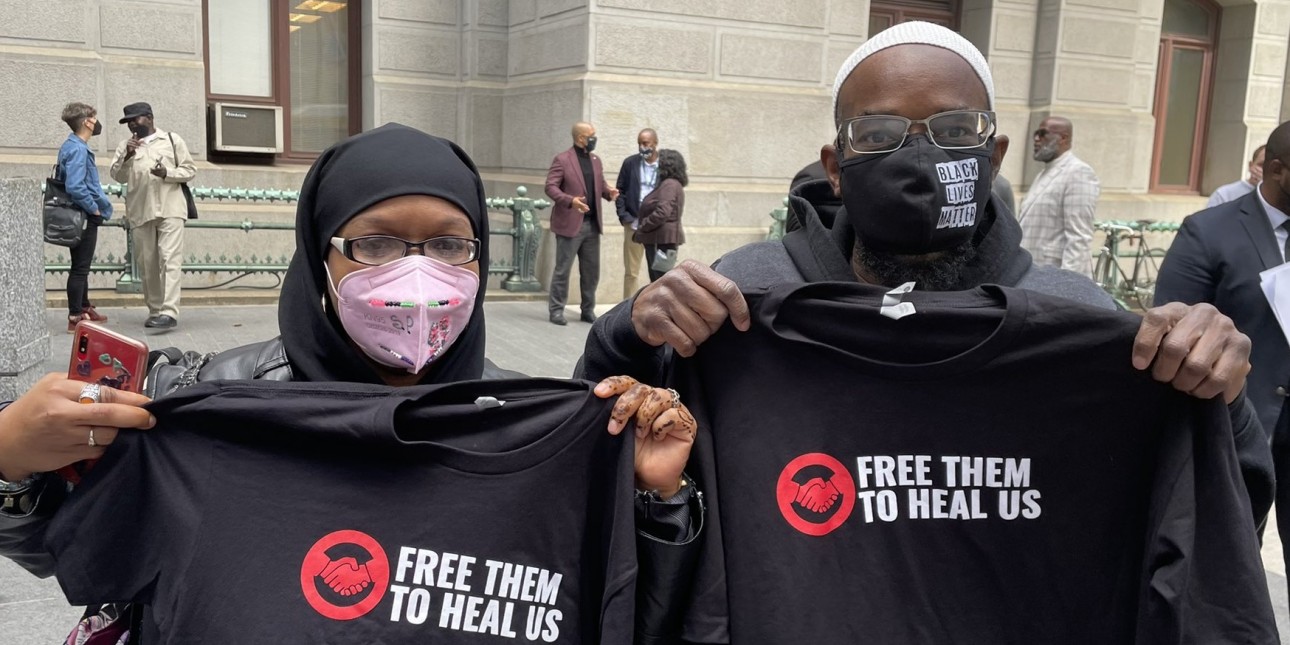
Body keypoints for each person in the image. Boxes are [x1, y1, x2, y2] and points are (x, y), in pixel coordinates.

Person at [577, 24, 1269, 638]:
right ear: (834, 167)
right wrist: (629, 338)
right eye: (878, 135)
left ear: (993, 155)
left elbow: (1205, 529)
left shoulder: (1080, 319)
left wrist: (1219, 401)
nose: (918, 158)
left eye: (954, 130)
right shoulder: (745, 296)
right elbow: (609, 479)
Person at [0, 124, 699, 642]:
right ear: (319, 254)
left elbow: (629, 611)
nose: (418, 276)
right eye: (376, 244)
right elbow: (83, 552)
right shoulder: (205, 404)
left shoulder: (529, 427)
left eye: (451, 245)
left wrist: (656, 498)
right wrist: (11, 459)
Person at [1155, 121, 1290, 588]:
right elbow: (1174, 327)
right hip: (1237, 430)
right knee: (1227, 574)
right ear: (1277, 170)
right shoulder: (1209, 230)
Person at [109, 102, 197, 331]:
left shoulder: (171, 140)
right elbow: (117, 176)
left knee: (170, 259)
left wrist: (167, 173)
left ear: (149, 118)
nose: (131, 125)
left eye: (135, 119)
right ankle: (155, 310)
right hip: (141, 210)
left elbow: (190, 170)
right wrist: (127, 156)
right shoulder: (125, 146)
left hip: (171, 208)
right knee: (147, 264)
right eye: (128, 121)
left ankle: (169, 312)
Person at [545, 121, 619, 325]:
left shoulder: (595, 160)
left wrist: (609, 192)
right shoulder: (562, 159)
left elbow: (599, 184)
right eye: (591, 135)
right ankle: (556, 310)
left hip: (592, 225)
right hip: (570, 225)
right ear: (580, 138)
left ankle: (587, 310)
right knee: (563, 269)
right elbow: (551, 187)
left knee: (591, 271)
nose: (594, 138)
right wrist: (571, 201)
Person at [1016, 116, 1099, 277]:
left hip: (1054, 280)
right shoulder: (1044, 173)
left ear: (1063, 138)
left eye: (1043, 134)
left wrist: (1065, 285)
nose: (1036, 139)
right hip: (1034, 277)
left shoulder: (1078, 173)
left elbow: (1079, 238)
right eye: (1035, 134)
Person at [56, 102, 113, 333]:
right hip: (83, 214)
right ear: (88, 122)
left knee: (81, 264)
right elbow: (76, 186)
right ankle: (75, 315)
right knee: (80, 267)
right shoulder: (78, 148)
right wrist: (94, 209)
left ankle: (84, 307)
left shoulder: (70, 145)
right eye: (94, 118)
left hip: (77, 213)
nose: (97, 122)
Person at [615, 128, 659, 298]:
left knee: (657, 272)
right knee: (631, 272)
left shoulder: (664, 166)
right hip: (633, 224)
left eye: (646, 143)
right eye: (639, 143)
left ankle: (656, 307)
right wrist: (624, 217)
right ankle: (627, 312)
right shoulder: (630, 163)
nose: (642, 147)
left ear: (655, 143)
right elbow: (620, 191)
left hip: (656, 228)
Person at [634, 150, 688, 283]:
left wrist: (643, 226)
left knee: (660, 282)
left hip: (660, 240)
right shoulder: (671, 184)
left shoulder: (669, 184)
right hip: (661, 239)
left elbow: (663, 212)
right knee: (661, 280)